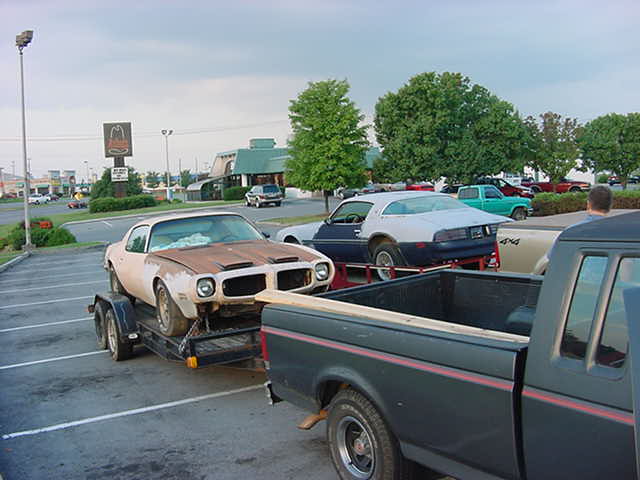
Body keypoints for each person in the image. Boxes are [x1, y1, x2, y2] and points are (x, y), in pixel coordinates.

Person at [533, 185, 613, 275]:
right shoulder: (617, 233)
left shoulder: (570, 232)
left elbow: (550, 259)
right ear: (610, 206)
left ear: (588, 204)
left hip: (578, 281)